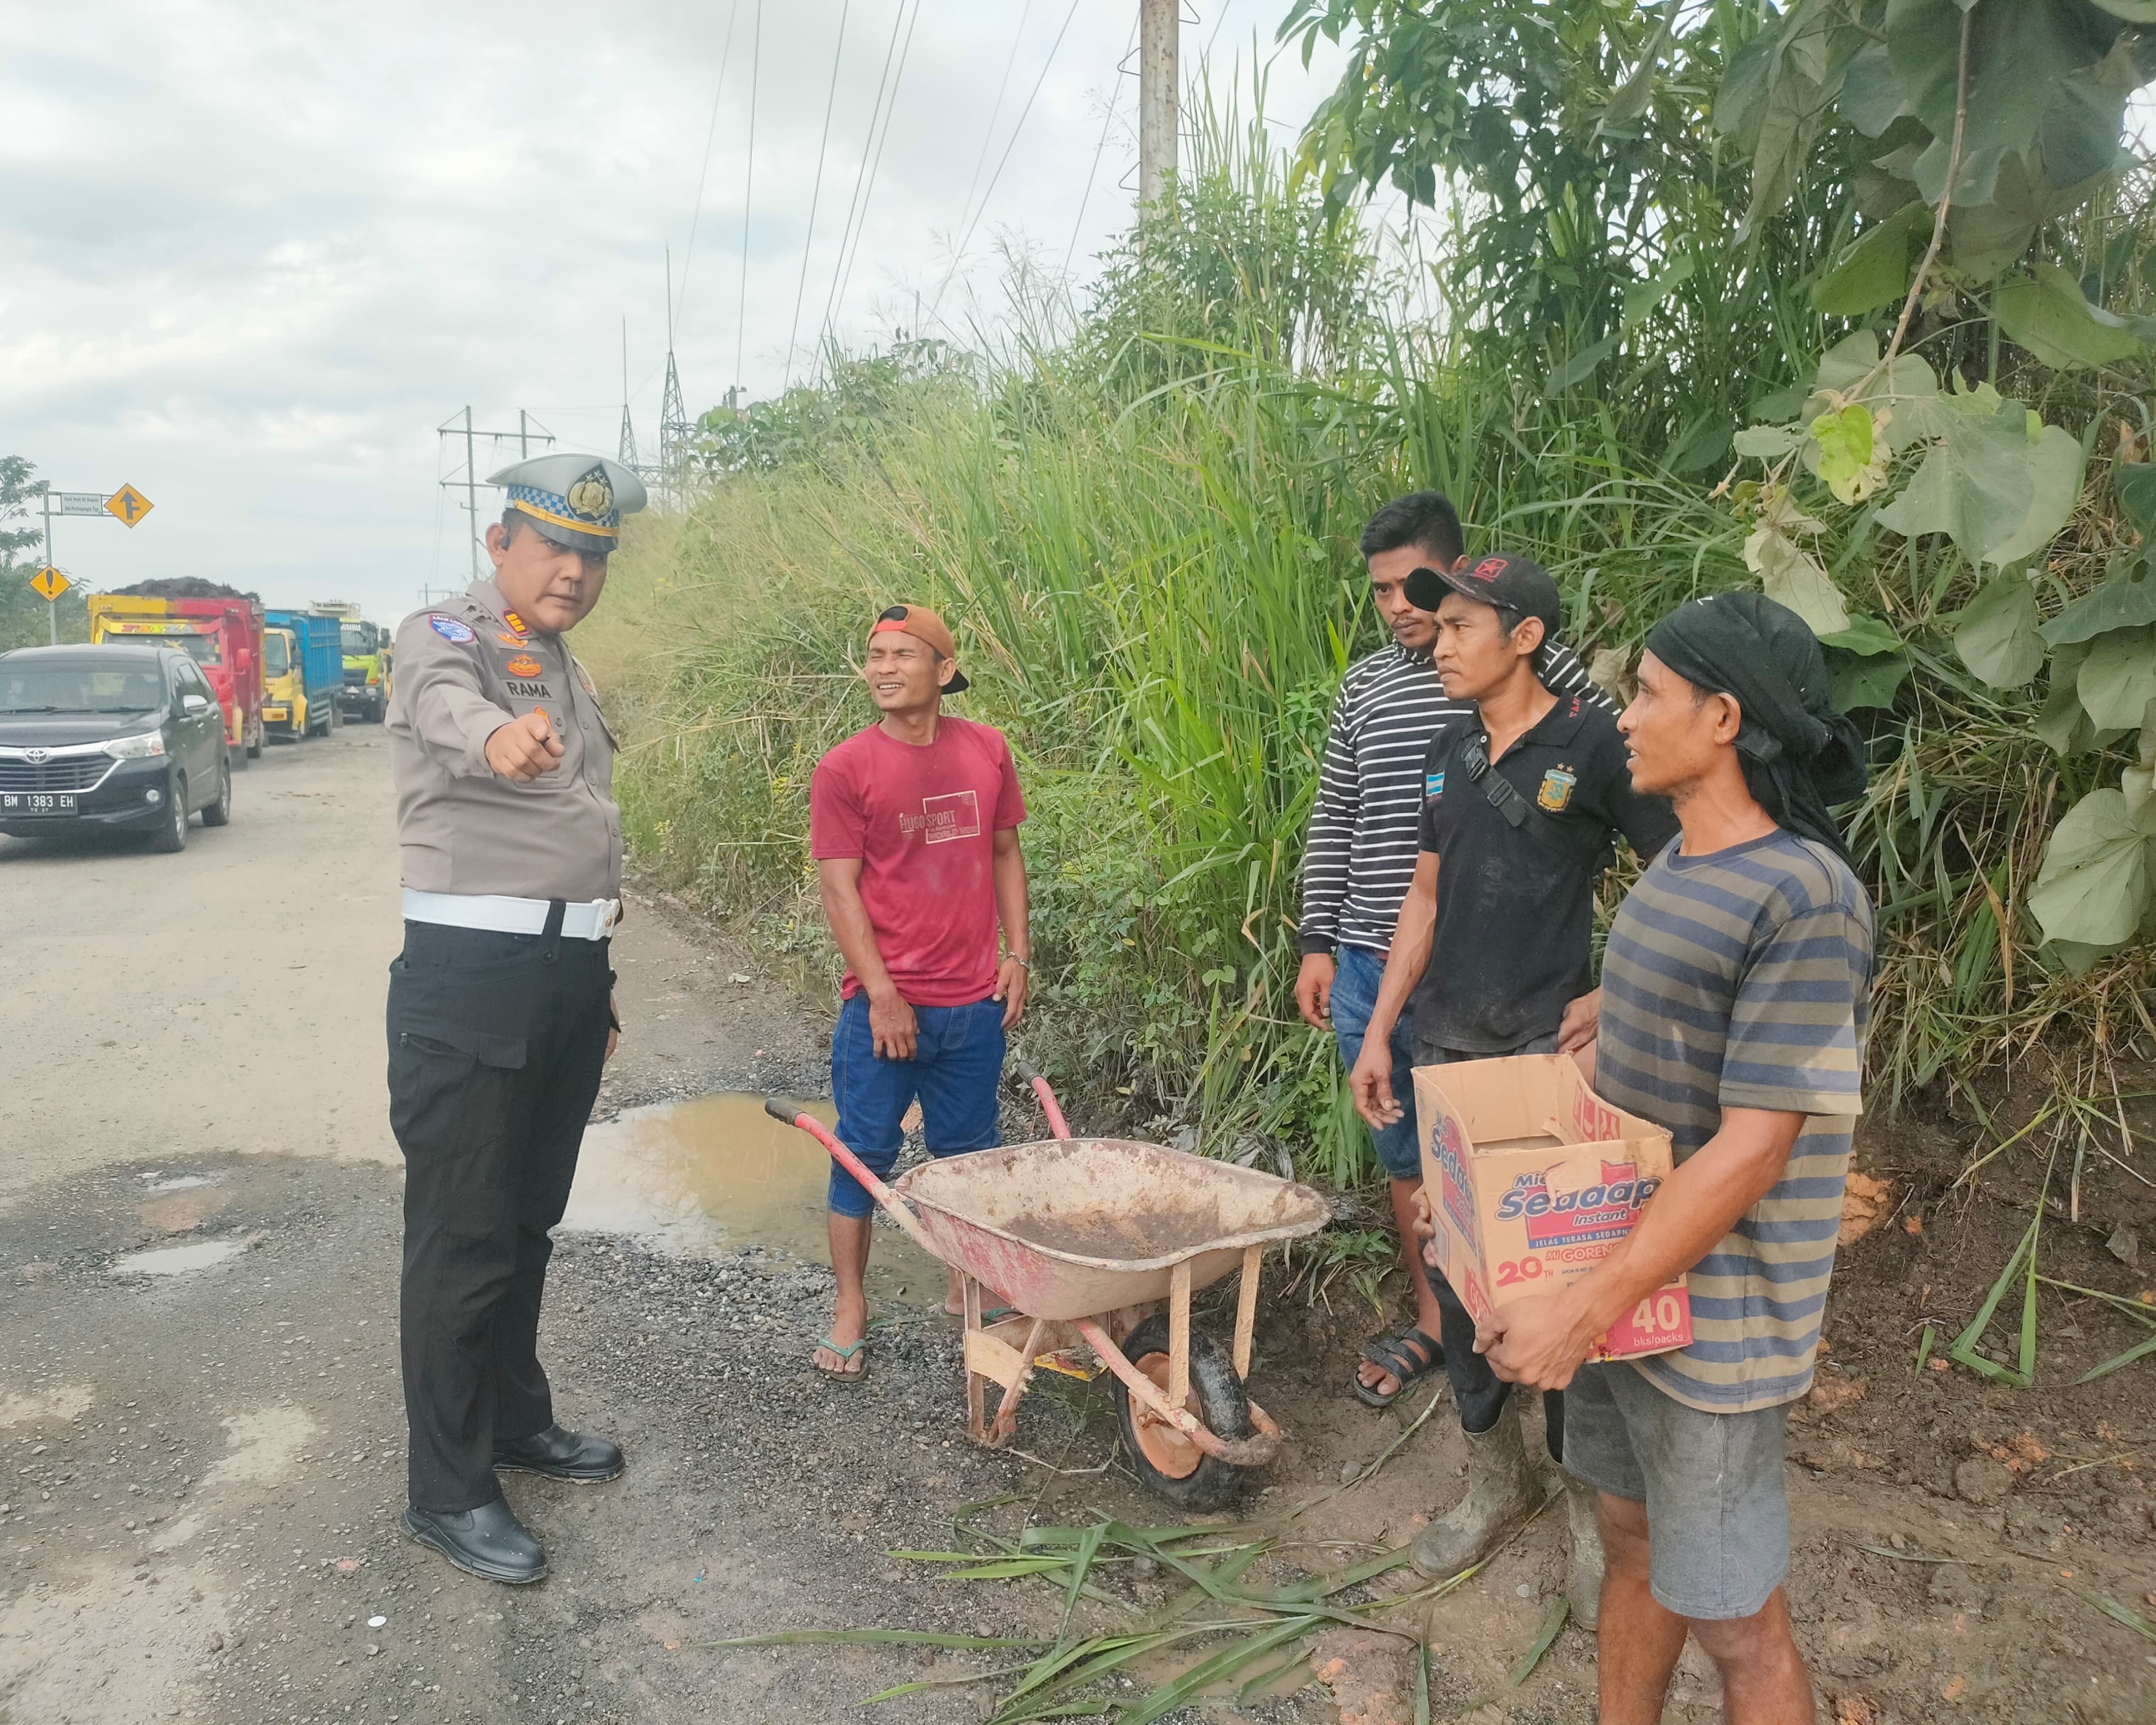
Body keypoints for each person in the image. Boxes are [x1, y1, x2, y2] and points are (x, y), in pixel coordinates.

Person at [1475, 591, 1873, 1724]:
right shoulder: (1681, 869)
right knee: (1631, 1540)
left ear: (1724, 717)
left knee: (1739, 1621)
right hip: (1634, 1294)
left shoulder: (1804, 897)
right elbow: (1652, 1068)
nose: (1625, 716)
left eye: (1648, 694)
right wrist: (1487, 1204)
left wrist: (1578, 1311)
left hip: (1716, 1324)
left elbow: (1751, 1152)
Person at [1347, 553, 1678, 1621]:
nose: (1437, 643)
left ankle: (1587, 1512)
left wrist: (1616, 993)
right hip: (1443, 1058)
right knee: (1458, 1278)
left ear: (1525, 637)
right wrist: (1382, 1033)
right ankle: (1494, 1477)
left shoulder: (1595, 745)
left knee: (1559, 1284)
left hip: (1547, 1065)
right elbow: (1424, 897)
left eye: (1459, 627)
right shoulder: (1447, 750)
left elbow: (1685, 868)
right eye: (1435, 626)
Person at [383, 453, 645, 1585]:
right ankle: (446, 1489)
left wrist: (596, 981)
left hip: (564, 973)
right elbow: (449, 708)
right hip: (473, 980)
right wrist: (495, 736)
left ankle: (511, 1420)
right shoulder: (445, 636)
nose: (575, 571)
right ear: (500, 544)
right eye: (554, 548)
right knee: (464, 1236)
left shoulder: (563, 663)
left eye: (594, 555)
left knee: (528, 1219)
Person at [1294, 493, 1609, 1412]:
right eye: (1381, 591)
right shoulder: (1379, 694)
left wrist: (1620, 985)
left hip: (1516, 983)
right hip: (1381, 963)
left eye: (1414, 589)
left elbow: (1624, 788)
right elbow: (1343, 817)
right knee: (1416, 1166)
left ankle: (1544, 1370)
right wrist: (1320, 942)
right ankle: (1445, 1330)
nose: (1399, 609)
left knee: (1529, 1186)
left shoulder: (1554, 692)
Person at [807, 604, 1030, 1380]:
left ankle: (967, 1282)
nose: (884, 668)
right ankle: (851, 1306)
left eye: (903, 654)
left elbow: (1005, 851)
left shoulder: (987, 750)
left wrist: (1018, 953)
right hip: (885, 1009)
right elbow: (839, 890)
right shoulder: (846, 768)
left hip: (973, 1005)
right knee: (863, 1153)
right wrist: (882, 994)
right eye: (875, 655)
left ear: (944, 669)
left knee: (968, 1154)